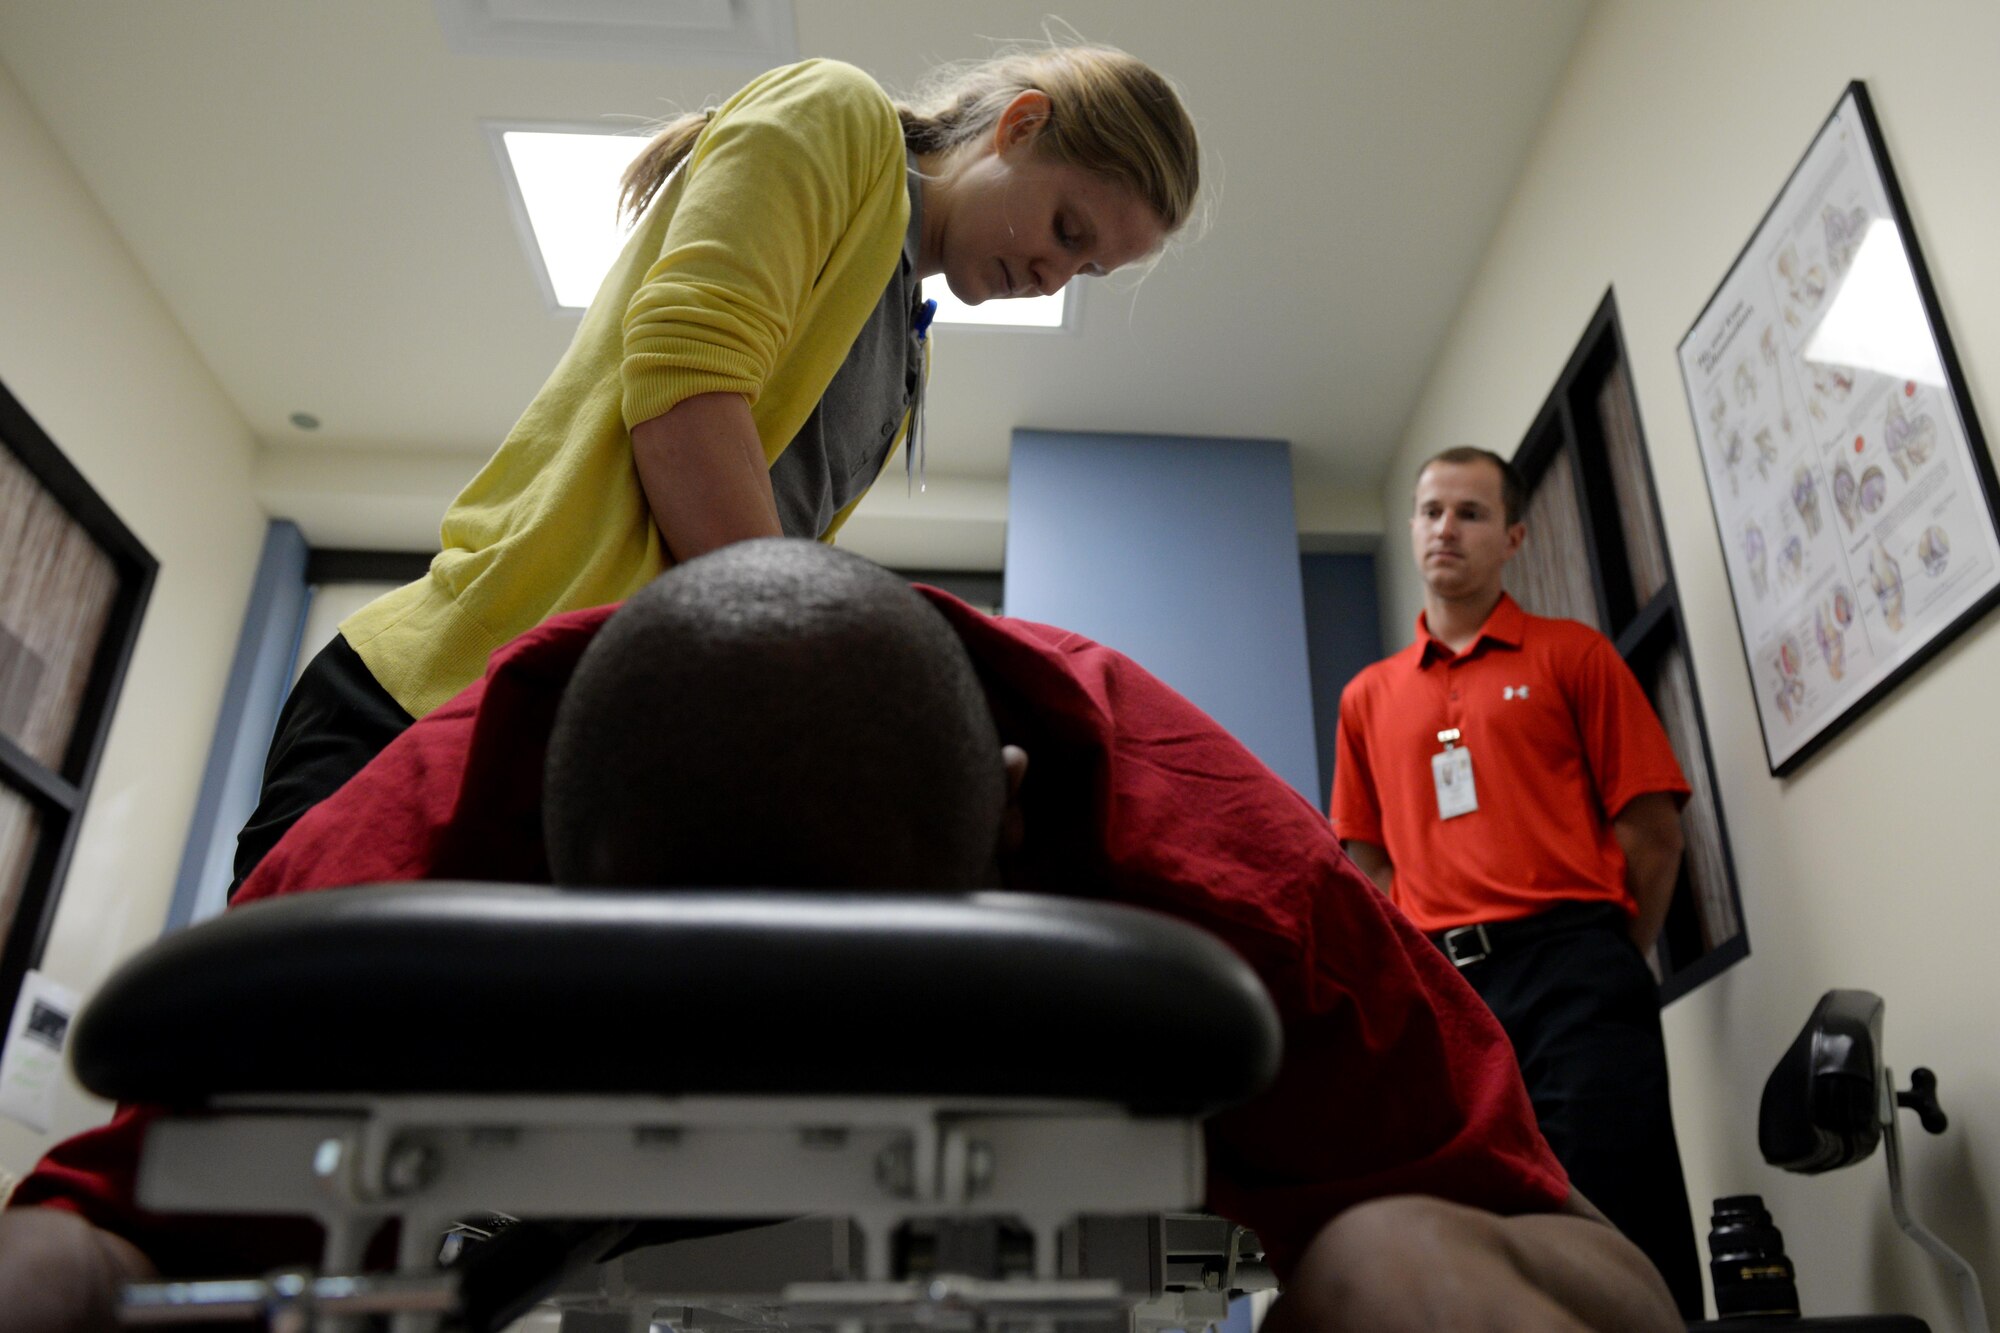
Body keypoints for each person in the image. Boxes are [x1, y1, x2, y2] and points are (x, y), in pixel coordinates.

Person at [6, 540, 1679, 1332]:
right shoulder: (392, 861)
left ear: (1016, 826)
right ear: (547, 880)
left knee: (1405, 1269)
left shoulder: (1242, 889)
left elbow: (1564, 1248)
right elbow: (94, 1226)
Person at [229, 43, 1201, 892]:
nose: (1053, 276)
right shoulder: (838, 115)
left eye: (1087, 272)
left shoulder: (908, 340)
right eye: (1068, 230)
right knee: (256, 1068)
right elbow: (685, 385)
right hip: (429, 700)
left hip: (572, 743)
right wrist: (832, 690)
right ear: (1018, 127)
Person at [1329, 446, 1705, 1318]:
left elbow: (1652, 835)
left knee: (1621, 1211)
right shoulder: (1367, 698)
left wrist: (1608, 955)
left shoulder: (1574, 657)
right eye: (1429, 511)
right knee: (1479, 1220)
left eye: (1470, 512)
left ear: (1515, 537)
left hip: (1579, 971)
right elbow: (1366, 862)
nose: (1444, 529)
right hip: (1448, 997)